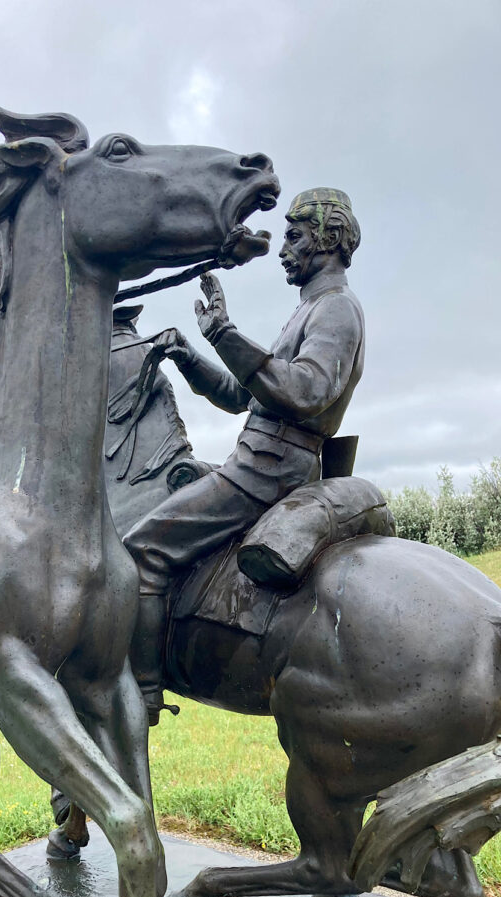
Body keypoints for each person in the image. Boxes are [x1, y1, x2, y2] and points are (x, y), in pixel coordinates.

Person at [124, 188, 364, 724]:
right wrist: (190, 352)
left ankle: (138, 694)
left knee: (141, 549)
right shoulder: (309, 310)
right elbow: (243, 396)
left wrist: (226, 334)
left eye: (295, 237)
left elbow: (305, 391)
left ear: (328, 239)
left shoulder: (337, 310)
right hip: (258, 462)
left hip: (268, 472)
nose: (284, 249)